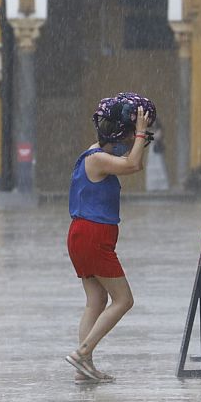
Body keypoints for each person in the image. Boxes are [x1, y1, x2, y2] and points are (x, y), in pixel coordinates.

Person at [64, 92, 156, 384]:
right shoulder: (98, 159)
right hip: (93, 236)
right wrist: (140, 132)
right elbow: (133, 165)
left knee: (96, 299)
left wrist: (137, 134)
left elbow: (128, 159)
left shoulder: (95, 153)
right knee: (123, 300)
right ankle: (83, 352)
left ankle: (84, 369)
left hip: (82, 235)